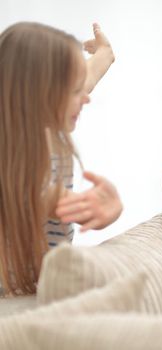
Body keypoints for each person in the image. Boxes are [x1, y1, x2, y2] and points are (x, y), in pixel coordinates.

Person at [0, 22, 122, 296]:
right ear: (38, 95)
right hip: (16, 294)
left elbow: (85, 78)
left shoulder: (43, 120)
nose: (87, 98)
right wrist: (100, 205)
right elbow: (45, 197)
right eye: (76, 91)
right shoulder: (16, 150)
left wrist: (104, 53)